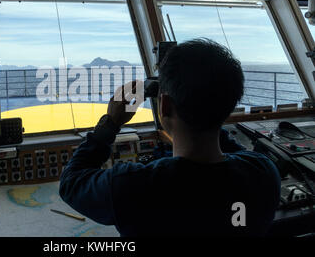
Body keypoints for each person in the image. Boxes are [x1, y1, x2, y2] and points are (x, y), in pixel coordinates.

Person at [59, 38, 281, 236]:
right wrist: (210, 110)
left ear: (163, 105)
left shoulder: (133, 186)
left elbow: (71, 183)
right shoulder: (264, 174)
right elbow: (232, 154)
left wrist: (111, 122)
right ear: (231, 104)